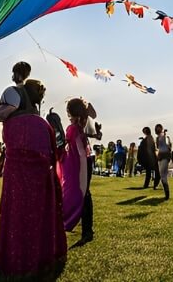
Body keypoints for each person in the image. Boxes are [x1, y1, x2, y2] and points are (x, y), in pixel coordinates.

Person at [0, 79, 65, 278]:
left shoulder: (11, 123)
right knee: (39, 216)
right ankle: (41, 257)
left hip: (15, 180)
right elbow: (53, 155)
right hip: (41, 181)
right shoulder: (43, 124)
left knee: (16, 215)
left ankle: (14, 258)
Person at [60, 98, 95, 243]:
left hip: (79, 162)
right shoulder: (82, 124)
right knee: (85, 193)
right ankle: (87, 229)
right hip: (84, 160)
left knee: (82, 193)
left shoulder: (75, 127)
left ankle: (86, 230)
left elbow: (78, 149)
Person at [154, 124, 171, 199]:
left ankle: (167, 194)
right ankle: (166, 193)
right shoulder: (157, 138)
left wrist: (164, 135)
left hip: (165, 157)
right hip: (160, 157)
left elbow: (167, 146)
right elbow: (158, 148)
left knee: (163, 176)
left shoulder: (165, 136)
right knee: (162, 175)